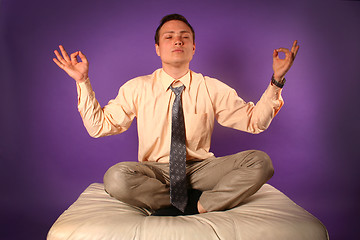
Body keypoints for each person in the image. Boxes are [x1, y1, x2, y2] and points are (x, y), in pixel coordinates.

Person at [53, 14, 299, 216]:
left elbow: (254, 122)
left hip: (202, 169)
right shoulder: (137, 87)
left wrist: (277, 81)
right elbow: (99, 127)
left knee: (260, 162)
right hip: (156, 172)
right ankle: (179, 201)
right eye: (169, 37)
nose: (177, 42)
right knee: (115, 178)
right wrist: (83, 81)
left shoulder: (211, 87)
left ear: (193, 47)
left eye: (185, 37)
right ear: (158, 49)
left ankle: (197, 205)